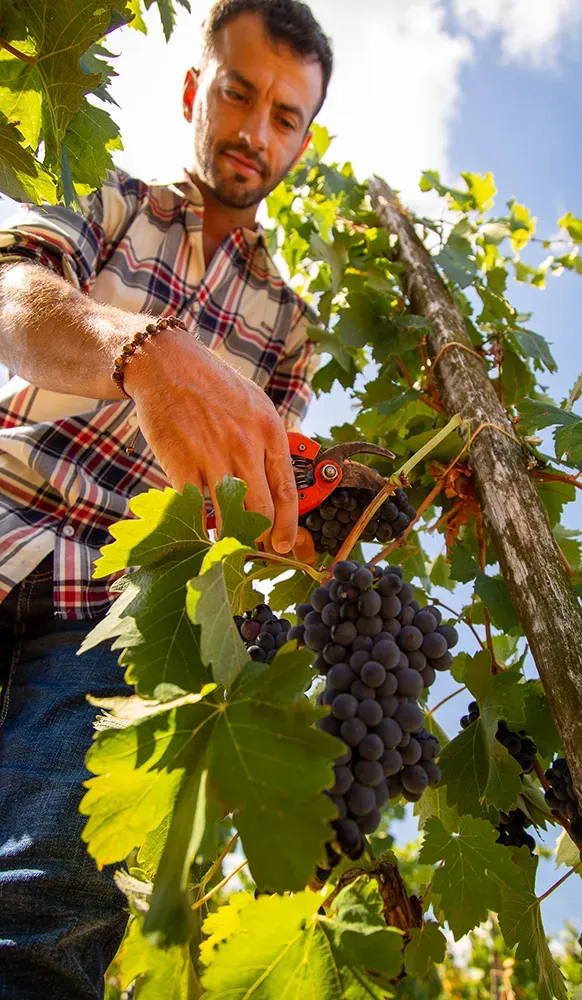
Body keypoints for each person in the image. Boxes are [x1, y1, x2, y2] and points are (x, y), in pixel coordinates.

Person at [0, 0, 333, 996]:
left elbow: (261, 514)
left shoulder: (288, 329)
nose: (254, 131)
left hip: (116, 622)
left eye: (284, 115)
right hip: (8, 511)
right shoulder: (109, 199)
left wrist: (299, 528)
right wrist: (138, 348)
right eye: (238, 93)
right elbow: (12, 289)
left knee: (40, 922)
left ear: (304, 141)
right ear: (197, 90)